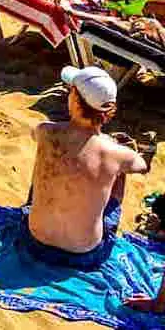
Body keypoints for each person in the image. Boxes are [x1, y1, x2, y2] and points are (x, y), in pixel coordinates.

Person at [27, 65, 151, 270]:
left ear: (75, 101)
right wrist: (116, 147)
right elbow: (141, 165)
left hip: (35, 242)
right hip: (84, 255)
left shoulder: (46, 131)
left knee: (47, 161)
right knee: (118, 173)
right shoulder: (117, 153)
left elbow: (34, 135)